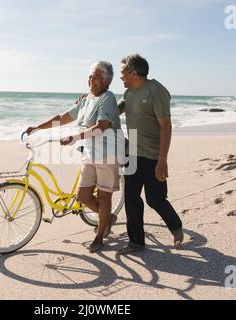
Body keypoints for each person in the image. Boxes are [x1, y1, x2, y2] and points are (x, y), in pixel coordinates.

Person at [25, 61, 122, 253]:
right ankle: (108, 218)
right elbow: (63, 118)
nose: (91, 80)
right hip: (90, 153)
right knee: (83, 196)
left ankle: (100, 236)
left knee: (104, 196)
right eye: (89, 76)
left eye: (96, 77)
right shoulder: (86, 100)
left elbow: (102, 125)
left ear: (107, 80)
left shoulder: (107, 98)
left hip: (107, 154)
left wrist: (74, 137)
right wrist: (38, 127)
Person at [118, 54, 184, 254]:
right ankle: (136, 241)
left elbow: (166, 126)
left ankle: (175, 225)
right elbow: (114, 109)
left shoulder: (157, 91)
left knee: (155, 199)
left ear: (133, 73)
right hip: (132, 152)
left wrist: (162, 160)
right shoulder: (129, 93)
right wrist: (91, 103)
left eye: (122, 73)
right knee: (131, 198)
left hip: (153, 155)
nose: (121, 77)